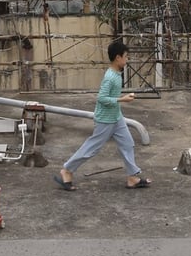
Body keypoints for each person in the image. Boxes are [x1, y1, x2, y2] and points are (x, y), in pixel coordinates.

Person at [53, 39, 151, 191]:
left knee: (128, 144)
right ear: (118, 58)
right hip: (105, 119)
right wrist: (122, 99)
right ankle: (67, 170)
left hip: (116, 117)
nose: (127, 59)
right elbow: (102, 98)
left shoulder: (117, 74)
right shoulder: (111, 77)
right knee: (92, 148)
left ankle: (132, 177)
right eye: (126, 56)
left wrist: (121, 99)